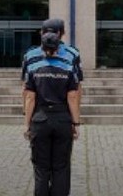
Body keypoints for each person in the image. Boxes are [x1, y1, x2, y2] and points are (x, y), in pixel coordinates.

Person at [23, 31, 81, 196]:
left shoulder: (34, 67)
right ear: (58, 48)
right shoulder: (68, 67)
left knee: (41, 167)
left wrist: (27, 124)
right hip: (62, 119)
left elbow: (30, 98)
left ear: (42, 48)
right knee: (61, 166)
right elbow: (72, 97)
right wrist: (76, 123)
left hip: (40, 119)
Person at [22, 18, 83, 107]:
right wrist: (76, 110)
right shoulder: (73, 53)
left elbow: (26, 86)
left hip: (38, 108)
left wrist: (25, 109)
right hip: (64, 108)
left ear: (42, 33)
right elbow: (77, 85)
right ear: (60, 33)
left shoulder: (30, 54)